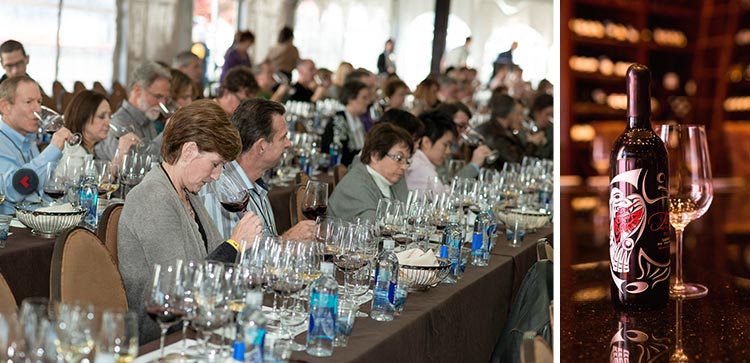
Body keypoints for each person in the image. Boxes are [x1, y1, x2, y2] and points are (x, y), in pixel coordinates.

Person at [118, 99, 263, 344]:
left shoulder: (187, 194)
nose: (216, 176)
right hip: (162, 337)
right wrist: (235, 245)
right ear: (188, 150)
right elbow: (177, 290)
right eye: (215, 164)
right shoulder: (153, 197)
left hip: (195, 325)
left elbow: (215, 272)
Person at [203, 98, 315, 240]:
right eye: (283, 138)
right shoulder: (220, 192)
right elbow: (230, 257)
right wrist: (287, 242)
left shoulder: (256, 183)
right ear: (261, 147)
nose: (288, 143)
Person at [0, 76, 72, 214]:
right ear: (5, 107)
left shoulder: (29, 139)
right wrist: (53, 149)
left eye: (39, 101)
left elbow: (41, 190)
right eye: (29, 102)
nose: (38, 109)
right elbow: (14, 189)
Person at [328, 122, 413, 222]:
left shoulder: (395, 180)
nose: (404, 167)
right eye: (399, 158)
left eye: (407, 160)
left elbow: (409, 216)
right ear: (375, 155)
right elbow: (370, 229)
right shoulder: (355, 186)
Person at [95, 61, 171, 161]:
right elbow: (132, 167)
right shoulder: (117, 124)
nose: (163, 104)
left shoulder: (148, 120)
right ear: (137, 90)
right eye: (158, 96)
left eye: (166, 98)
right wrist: (167, 133)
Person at [56, 90, 139, 175]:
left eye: (109, 116)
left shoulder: (93, 149)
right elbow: (92, 186)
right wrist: (121, 153)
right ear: (83, 118)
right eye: (102, 116)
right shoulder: (74, 153)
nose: (108, 122)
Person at [477, 94, 545, 170]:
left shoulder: (504, 131)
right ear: (510, 115)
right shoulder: (496, 135)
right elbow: (516, 164)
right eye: (519, 114)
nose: (523, 118)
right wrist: (532, 144)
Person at [434, 102, 491, 179]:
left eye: (466, 127)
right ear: (445, 123)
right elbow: (446, 184)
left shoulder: (456, 147)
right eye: (461, 126)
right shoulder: (436, 147)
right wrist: (474, 165)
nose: (464, 132)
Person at [406, 110, 457, 192]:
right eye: (445, 145)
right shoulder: (421, 169)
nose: (448, 151)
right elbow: (442, 198)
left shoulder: (419, 162)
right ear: (426, 142)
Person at [321, 80, 370, 166]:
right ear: (351, 99)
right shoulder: (338, 121)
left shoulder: (358, 120)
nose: (367, 102)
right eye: (364, 98)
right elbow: (340, 156)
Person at [529, 93, 553, 159]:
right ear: (536, 113)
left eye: (552, 115)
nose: (550, 119)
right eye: (547, 114)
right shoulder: (526, 130)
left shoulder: (551, 130)